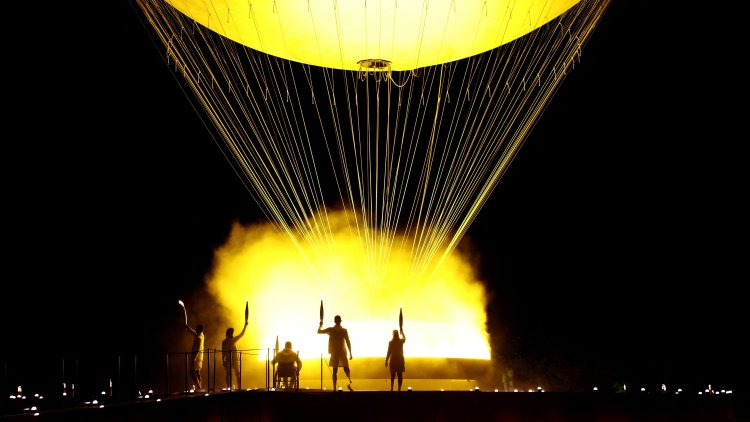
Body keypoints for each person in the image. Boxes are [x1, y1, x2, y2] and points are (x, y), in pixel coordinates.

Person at [317, 314, 353, 391]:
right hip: (342, 352)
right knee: (346, 368)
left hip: (335, 353)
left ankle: (334, 388)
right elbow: (348, 341)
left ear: (334, 321)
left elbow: (319, 331)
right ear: (340, 321)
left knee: (335, 371)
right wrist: (350, 352)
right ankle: (349, 380)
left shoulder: (331, 330)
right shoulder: (343, 330)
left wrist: (320, 325)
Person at [221, 321, 249, 390]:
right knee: (233, 374)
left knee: (232, 374)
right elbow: (242, 334)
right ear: (230, 333)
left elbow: (223, 352)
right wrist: (245, 326)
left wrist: (223, 360)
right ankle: (235, 388)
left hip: (232, 359)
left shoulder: (226, 341)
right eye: (232, 332)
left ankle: (232, 388)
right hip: (232, 360)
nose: (233, 333)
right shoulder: (231, 340)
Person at [185, 322, 205, 390]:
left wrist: (194, 359)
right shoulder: (201, 335)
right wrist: (188, 327)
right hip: (200, 357)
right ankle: (199, 386)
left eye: (197, 329)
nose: (196, 330)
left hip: (196, 357)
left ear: (199, 330)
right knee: (197, 372)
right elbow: (194, 332)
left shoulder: (199, 337)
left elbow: (198, 349)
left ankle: (199, 387)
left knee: (192, 372)